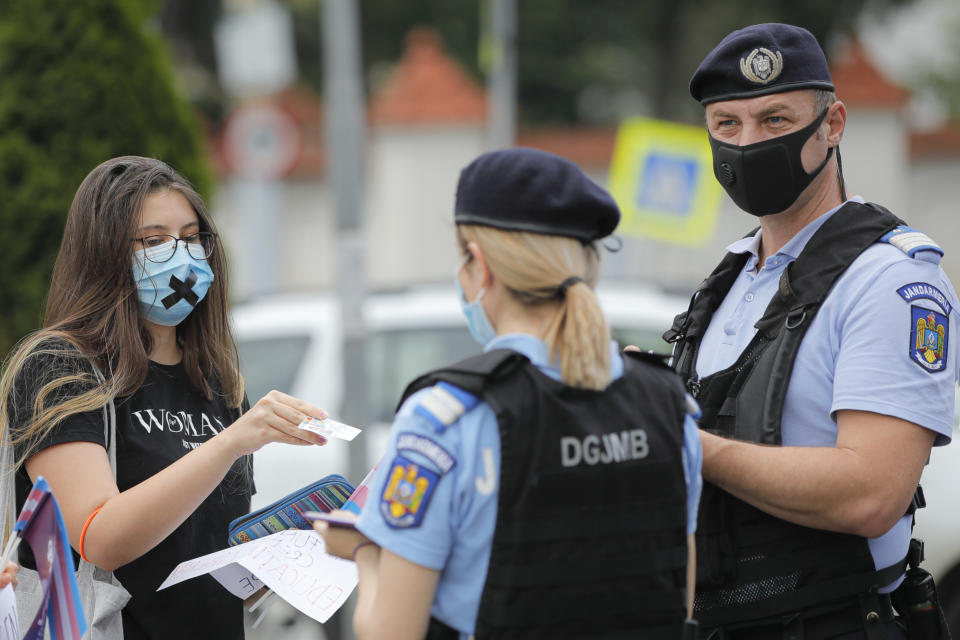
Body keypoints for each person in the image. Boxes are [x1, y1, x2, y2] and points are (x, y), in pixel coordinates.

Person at [315, 147, 703, 640]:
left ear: (480, 265)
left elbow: (391, 632)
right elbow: (679, 602)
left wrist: (367, 550)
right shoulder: (670, 407)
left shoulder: (446, 420)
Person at [665, 23, 958, 639]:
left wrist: (689, 444)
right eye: (727, 125)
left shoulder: (889, 281)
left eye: (775, 120)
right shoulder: (735, 276)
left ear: (833, 125)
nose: (747, 143)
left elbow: (872, 494)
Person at [0, 156, 328, 639]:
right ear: (103, 254)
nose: (181, 255)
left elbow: (208, 558)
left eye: (191, 237)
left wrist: (297, 553)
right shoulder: (59, 367)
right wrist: (229, 443)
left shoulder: (214, 379)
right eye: (153, 241)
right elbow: (98, 538)